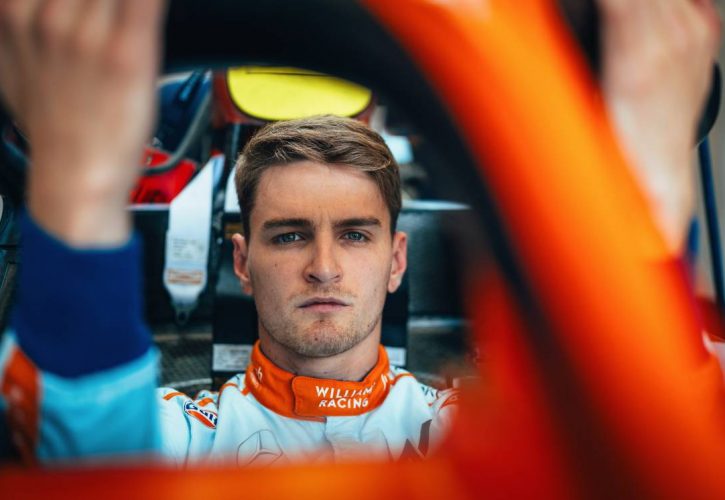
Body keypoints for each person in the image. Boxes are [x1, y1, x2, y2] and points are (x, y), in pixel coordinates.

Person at [0, 0, 719, 465]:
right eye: (288, 236)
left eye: (354, 235)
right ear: (241, 261)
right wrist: (78, 184)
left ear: (397, 258)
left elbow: (647, 443)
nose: (323, 266)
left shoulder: (456, 429)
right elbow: (80, 446)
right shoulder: (181, 437)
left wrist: (651, 187)